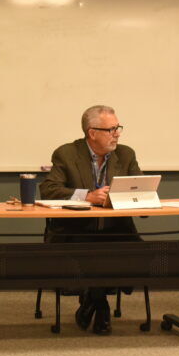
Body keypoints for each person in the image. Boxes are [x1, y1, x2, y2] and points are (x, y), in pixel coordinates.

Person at [38, 105, 142, 335]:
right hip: (76, 230)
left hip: (116, 230)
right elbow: (48, 189)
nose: (117, 134)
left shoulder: (126, 154)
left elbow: (141, 188)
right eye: (111, 129)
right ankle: (101, 305)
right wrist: (87, 196)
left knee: (130, 253)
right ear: (92, 133)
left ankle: (91, 300)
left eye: (118, 128)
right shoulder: (67, 154)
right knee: (95, 253)